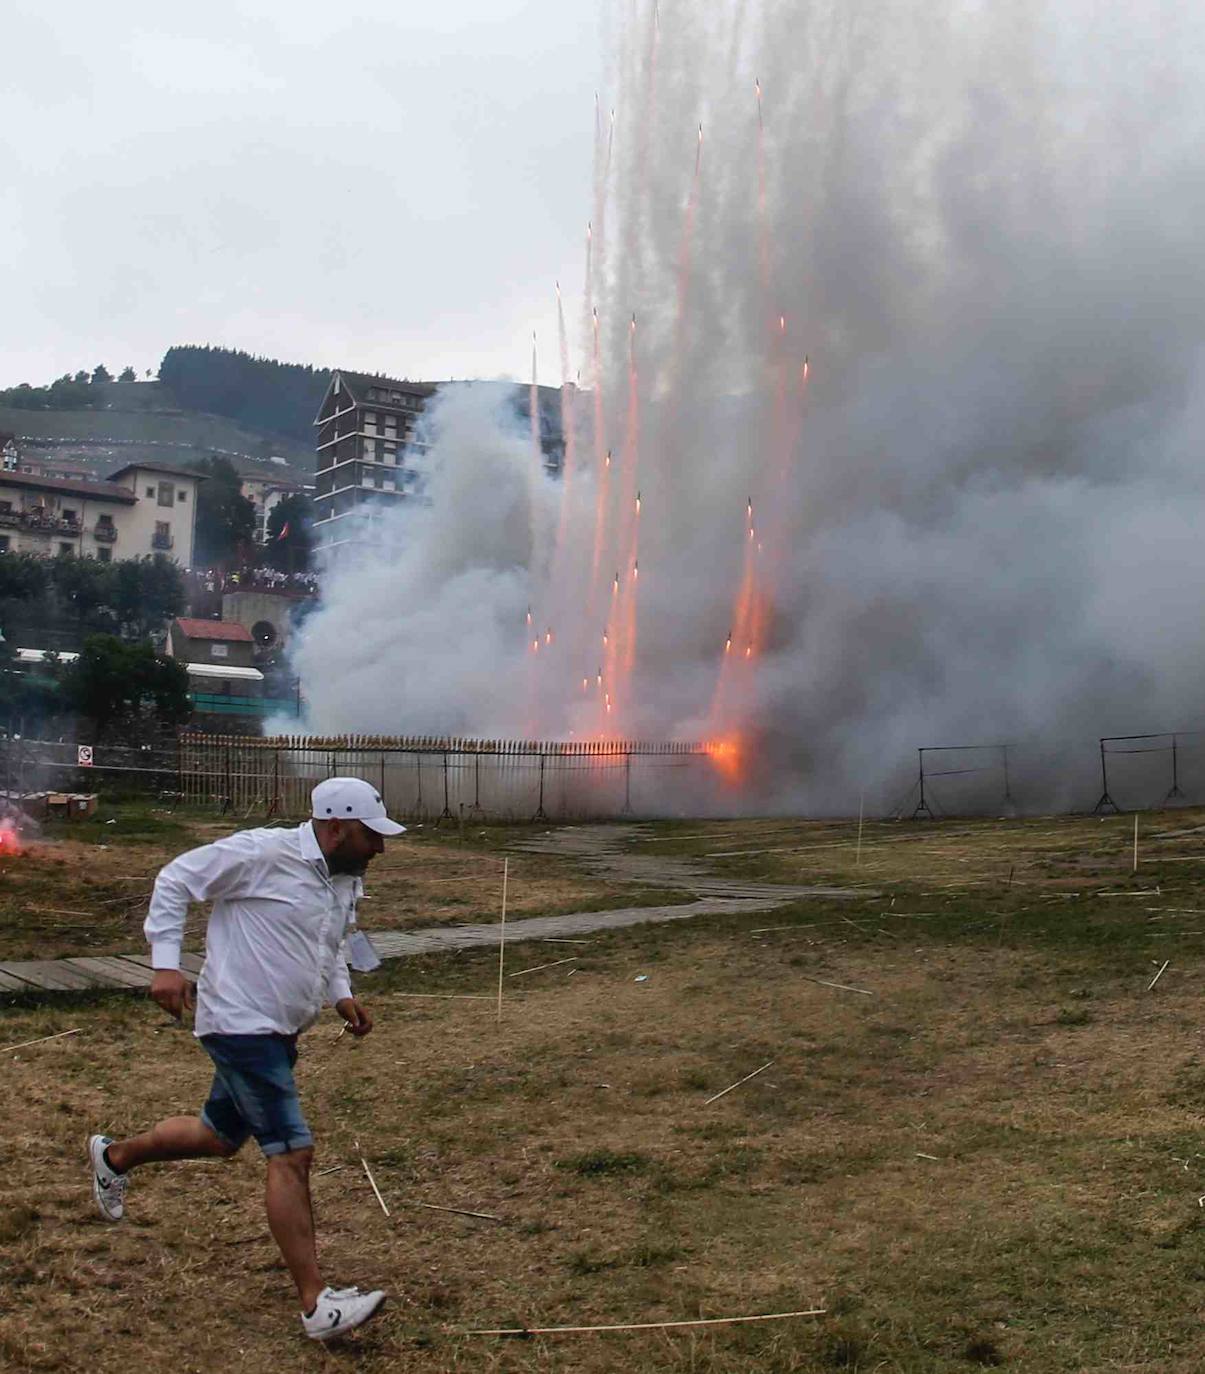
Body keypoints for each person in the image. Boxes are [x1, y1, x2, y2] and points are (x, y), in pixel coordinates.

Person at [87, 778, 405, 1342]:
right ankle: (316, 1305)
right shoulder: (262, 853)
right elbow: (174, 879)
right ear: (334, 827)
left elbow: (328, 943)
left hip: (277, 1031)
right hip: (239, 1024)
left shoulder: (342, 877)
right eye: (369, 836)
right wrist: (165, 964)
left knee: (218, 1137)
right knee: (292, 1153)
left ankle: (113, 1158)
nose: (379, 848)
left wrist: (341, 994)